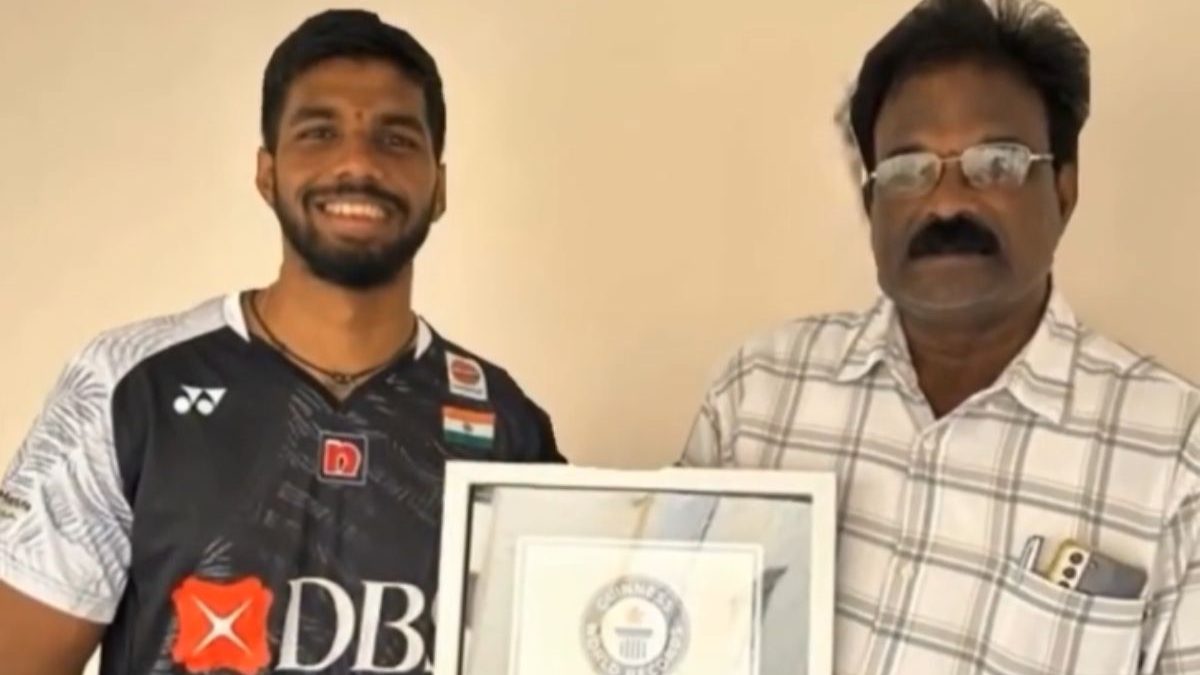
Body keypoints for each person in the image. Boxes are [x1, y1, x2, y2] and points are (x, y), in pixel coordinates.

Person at [0, 9, 563, 675]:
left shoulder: (506, 424)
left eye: (397, 139)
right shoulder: (128, 385)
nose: (357, 162)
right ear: (266, 172)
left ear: (439, 187)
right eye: (319, 132)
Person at [680, 0, 1200, 673]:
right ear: (871, 204)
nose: (948, 201)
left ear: (1064, 192)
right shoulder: (755, 394)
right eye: (905, 169)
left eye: (998, 162)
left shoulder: (1178, 457)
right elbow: (669, 626)